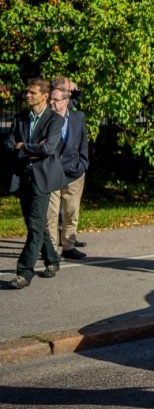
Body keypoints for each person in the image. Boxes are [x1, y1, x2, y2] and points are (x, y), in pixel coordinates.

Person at [5, 78, 66, 289]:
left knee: (34, 225)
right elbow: (9, 145)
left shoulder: (54, 120)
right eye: (27, 92)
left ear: (44, 96)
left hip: (42, 179)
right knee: (36, 224)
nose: (27, 95)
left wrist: (24, 147)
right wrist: (29, 149)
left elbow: (48, 148)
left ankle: (24, 272)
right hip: (23, 178)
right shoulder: (20, 118)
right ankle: (52, 259)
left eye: (32, 92)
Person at [46, 82, 89, 260]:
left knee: (72, 212)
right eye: (50, 99)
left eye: (56, 100)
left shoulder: (78, 117)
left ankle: (69, 246)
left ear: (66, 101)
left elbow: (83, 142)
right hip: (52, 173)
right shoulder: (46, 119)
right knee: (51, 214)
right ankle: (52, 249)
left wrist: (83, 164)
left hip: (74, 172)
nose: (51, 103)